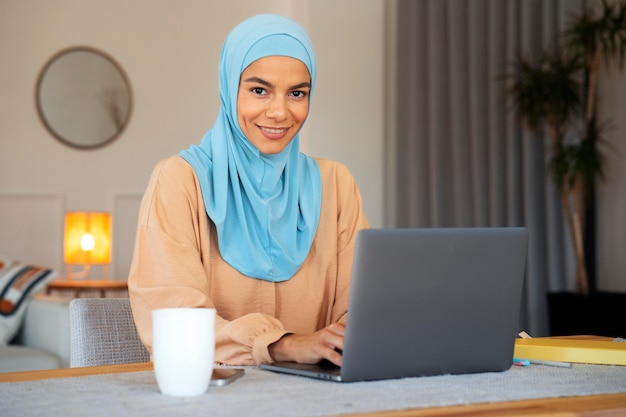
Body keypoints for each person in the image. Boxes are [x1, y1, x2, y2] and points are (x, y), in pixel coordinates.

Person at [128, 13, 369, 367]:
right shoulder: (180, 181)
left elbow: (362, 309)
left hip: (320, 397)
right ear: (229, 89)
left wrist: (343, 342)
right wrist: (281, 345)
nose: (279, 112)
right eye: (259, 90)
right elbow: (174, 321)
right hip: (213, 396)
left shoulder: (337, 184)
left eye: (297, 93)